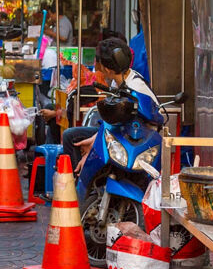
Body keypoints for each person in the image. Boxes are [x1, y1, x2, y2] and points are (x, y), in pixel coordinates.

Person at [59, 38, 159, 172]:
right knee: (70, 136)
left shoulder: (136, 88)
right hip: (119, 131)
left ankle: (81, 174)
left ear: (107, 69)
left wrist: (94, 148)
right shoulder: (118, 81)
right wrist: (95, 139)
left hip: (134, 139)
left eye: (98, 63)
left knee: (73, 138)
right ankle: (79, 181)